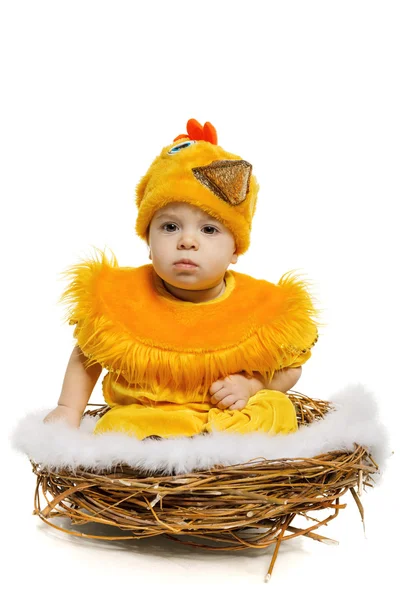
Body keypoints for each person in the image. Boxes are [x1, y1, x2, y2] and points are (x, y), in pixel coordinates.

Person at [44, 118, 322, 439]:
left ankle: (221, 458)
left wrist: (252, 384)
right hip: (150, 417)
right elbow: (88, 354)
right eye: (170, 227)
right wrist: (68, 409)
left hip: (227, 416)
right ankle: (166, 459)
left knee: (276, 407)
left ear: (236, 250)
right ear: (148, 242)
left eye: (209, 229)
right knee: (115, 426)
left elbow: (291, 366)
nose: (187, 241)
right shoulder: (121, 296)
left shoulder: (262, 305)